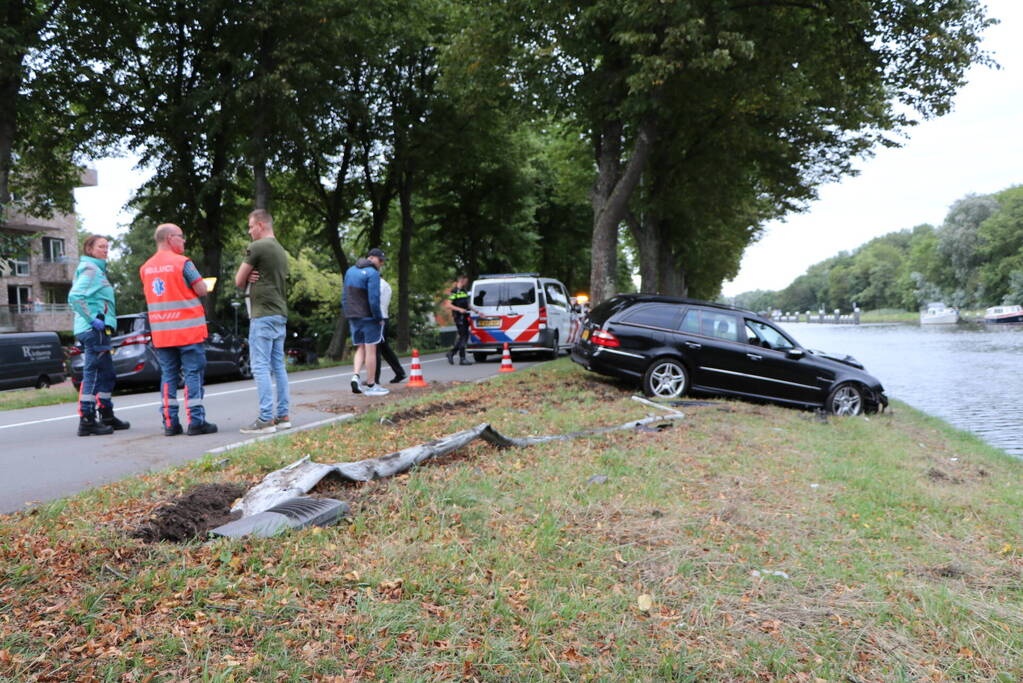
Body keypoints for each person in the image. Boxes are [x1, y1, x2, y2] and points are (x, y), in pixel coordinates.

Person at [139, 223, 217, 436]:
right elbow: (201, 289)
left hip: (163, 334)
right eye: (181, 237)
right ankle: (196, 422)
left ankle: (170, 423)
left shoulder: (145, 268)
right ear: (170, 238)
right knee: (193, 374)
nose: (184, 241)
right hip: (187, 331)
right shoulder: (183, 263)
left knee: (168, 376)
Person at [234, 209, 291, 434]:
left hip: (263, 314)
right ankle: (283, 415)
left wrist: (247, 277)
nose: (249, 231)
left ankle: (266, 418)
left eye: (250, 226)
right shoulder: (280, 249)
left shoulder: (257, 247)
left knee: (260, 366)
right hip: (279, 313)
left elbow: (239, 280)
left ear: (260, 224)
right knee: (278, 365)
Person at [69, 234, 129, 436]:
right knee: (93, 374)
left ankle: (106, 414)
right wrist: (92, 319)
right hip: (94, 329)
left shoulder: (97, 270)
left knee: (107, 374)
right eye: (101, 247)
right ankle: (87, 420)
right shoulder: (91, 269)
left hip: (100, 329)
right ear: (89, 249)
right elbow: (75, 296)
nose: (106, 250)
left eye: (107, 247)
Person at [342, 248, 389, 396]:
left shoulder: (350, 271)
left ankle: (355, 376)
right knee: (371, 350)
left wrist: (348, 313)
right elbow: (373, 299)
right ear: (372, 258)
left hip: (353, 316)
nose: (381, 264)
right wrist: (378, 317)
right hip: (368, 317)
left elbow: (345, 295)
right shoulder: (373, 273)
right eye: (380, 260)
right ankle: (371, 384)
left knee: (360, 348)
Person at [374, 273, 406, 385]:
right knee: (384, 348)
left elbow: (374, 302)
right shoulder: (386, 285)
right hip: (384, 317)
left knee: (375, 348)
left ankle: (374, 379)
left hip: (378, 319)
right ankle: (399, 372)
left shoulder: (378, 285)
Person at [444, 273, 474, 365]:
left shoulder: (464, 290)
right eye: (466, 281)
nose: (467, 283)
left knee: (463, 336)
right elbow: (448, 305)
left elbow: (467, 304)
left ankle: (451, 353)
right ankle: (462, 358)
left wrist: (476, 310)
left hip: (465, 316)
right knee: (464, 337)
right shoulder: (454, 291)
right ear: (462, 280)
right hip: (459, 317)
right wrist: (459, 309)